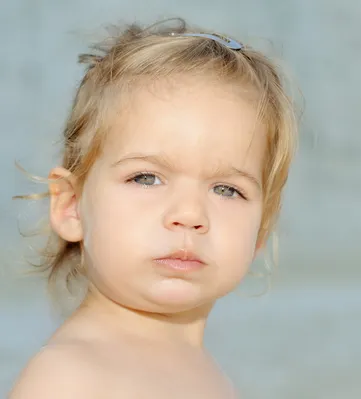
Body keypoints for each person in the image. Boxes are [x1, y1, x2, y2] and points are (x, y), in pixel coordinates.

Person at [9, 17, 298, 398]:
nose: (190, 215)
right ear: (72, 206)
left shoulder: (204, 372)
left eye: (227, 189)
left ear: (262, 229)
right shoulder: (70, 378)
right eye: (146, 178)